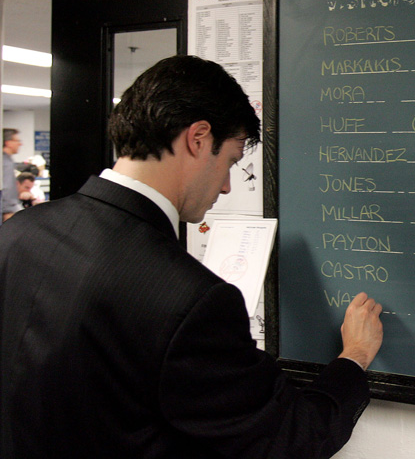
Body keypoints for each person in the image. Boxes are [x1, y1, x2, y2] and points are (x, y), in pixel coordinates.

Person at [0, 55, 383, 458]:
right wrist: (353, 357)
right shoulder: (189, 297)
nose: (227, 187)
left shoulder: (20, 232)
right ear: (198, 138)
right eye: (231, 161)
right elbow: (288, 441)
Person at [1, 128, 22, 220]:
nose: (20, 144)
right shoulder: (5, 163)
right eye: (17, 141)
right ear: (8, 143)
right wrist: (8, 210)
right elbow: (7, 188)